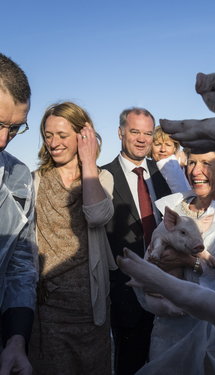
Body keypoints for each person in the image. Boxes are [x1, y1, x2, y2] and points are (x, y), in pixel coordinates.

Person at [137, 150, 215, 375]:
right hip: (170, 339)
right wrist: (152, 280)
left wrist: (188, 262)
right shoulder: (173, 210)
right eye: (192, 162)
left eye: (207, 163)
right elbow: (148, 269)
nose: (196, 171)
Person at [28, 102, 115, 374]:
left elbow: (97, 215)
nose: (53, 143)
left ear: (82, 135)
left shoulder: (102, 178)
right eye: (48, 135)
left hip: (90, 306)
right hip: (47, 307)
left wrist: (88, 162)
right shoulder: (35, 180)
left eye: (62, 135)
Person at [102, 108, 171, 375]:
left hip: (168, 291)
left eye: (148, 133)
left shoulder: (166, 174)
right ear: (120, 133)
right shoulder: (102, 177)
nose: (142, 139)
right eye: (134, 132)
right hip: (126, 299)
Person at [0, 53, 36, 375]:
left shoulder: (18, 176)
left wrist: (15, 339)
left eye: (13, 129)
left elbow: (20, 267)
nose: (2, 140)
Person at [149, 125, 190, 193]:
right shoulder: (143, 173)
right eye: (158, 144)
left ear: (175, 148)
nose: (163, 149)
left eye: (168, 145)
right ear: (150, 147)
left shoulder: (186, 173)